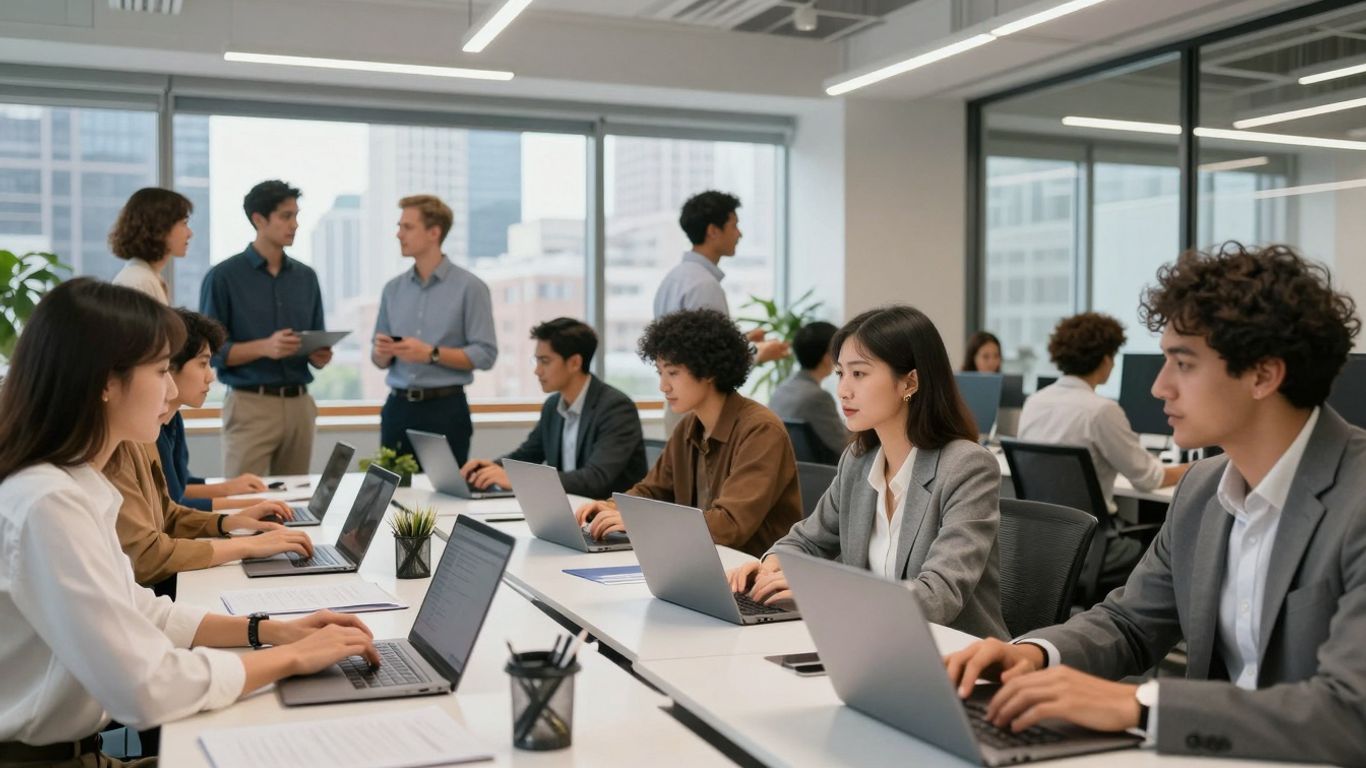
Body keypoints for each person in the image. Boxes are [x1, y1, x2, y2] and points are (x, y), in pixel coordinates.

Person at [944, 243, 1366, 765]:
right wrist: (1031, 654)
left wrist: (1141, 704)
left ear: (1263, 374)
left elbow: (1352, 713)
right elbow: (1130, 623)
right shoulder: (1202, 490)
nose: (1159, 386)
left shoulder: (1358, 500)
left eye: (1182, 363)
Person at [0, 278, 378, 767]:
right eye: (161, 370)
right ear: (104, 384)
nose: (174, 388)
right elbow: (146, 687)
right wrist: (292, 659)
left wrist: (275, 631)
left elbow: (142, 612)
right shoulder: (47, 503)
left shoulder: (76, 485)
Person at [729, 306, 1007, 639]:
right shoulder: (858, 461)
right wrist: (773, 564)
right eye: (840, 373)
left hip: (953, 657)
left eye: (859, 374)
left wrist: (821, 590)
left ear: (910, 381)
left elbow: (939, 597)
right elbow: (806, 541)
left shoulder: (967, 467)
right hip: (869, 643)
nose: (843, 390)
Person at [575, 310, 802, 557]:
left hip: (752, 574)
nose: (663, 386)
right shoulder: (689, 426)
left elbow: (730, 525)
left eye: (673, 373)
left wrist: (641, 522)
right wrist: (609, 507)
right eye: (660, 373)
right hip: (697, 559)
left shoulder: (760, 429)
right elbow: (652, 490)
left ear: (709, 371)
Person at [1018, 312, 1188, 580]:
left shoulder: (1034, 402)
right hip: (1093, 547)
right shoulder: (1101, 411)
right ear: (1106, 359)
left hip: (1044, 544)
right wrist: (1194, 468)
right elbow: (1149, 478)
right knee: (1166, 552)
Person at [200, 180, 331, 477]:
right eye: (286, 216)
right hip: (250, 405)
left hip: (300, 405)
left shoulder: (306, 277)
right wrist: (266, 347)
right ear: (259, 219)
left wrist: (318, 355)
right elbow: (212, 352)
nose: (295, 224)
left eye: (296, 215)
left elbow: (315, 337)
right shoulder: (223, 277)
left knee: (296, 500)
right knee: (244, 504)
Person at [371, 194, 497, 467]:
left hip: (445, 410)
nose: (398, 234)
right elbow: (378, 359)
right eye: (399, 226)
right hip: (397, 408)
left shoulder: (470, 287)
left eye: (407, 227)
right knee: (391, 495)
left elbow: (485, 354)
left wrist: (431, 354)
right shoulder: (393, 289)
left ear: (434, 232)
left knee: (445, 501)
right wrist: (383, 352)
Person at [461, 318, 647, 498]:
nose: (537, 371)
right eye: (537, 361)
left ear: (574, 362)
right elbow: (528, 455)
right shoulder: (553, 405)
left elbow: (595, 479)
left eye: (545, 361)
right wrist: (490, 468)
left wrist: (520, 480)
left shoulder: (616, 408)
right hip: (568, 510)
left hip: (607, 519)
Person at [159, 308, 276, 511]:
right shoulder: (150, 430)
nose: (211, 376)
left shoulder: (173, 418)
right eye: (203, 363)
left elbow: (179, 487)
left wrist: (228, 488)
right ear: (169, 366)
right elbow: (172, 507)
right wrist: (246, 506)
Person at [768, 320, 848, 463]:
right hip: (823, 477)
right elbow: (845, 446)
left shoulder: (782, 389)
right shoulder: (817, 397)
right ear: (827, 357)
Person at [108, 187, 193, 305]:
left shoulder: (148, 277)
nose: (190, 234)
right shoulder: (139, 282)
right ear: (160, 227)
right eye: (184, 223)